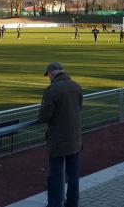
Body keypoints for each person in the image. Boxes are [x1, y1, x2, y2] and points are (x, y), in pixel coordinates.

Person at [39, 62, 83, 207]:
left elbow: (44, 116)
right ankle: (72, 202)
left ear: (51, 73)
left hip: (58, 140)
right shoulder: (76, 86)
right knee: (73, 175)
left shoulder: (51, 90)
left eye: (48, 75)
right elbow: (79, 108)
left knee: (56, 176)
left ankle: (55, 204)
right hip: (75, 138)